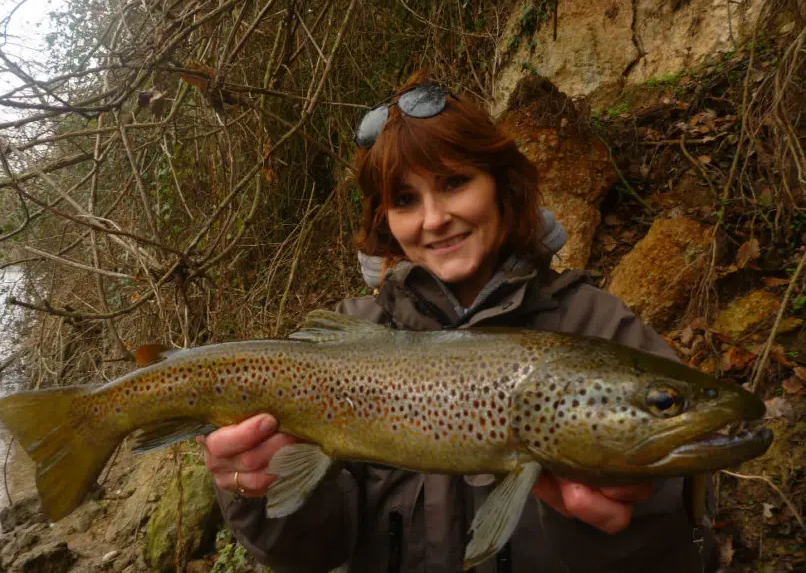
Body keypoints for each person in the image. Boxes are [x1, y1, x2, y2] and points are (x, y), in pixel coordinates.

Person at [200, 78, 717, 572]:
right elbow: (305, 556)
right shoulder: (343, 337)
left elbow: (675, 547)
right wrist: (252, 488)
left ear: (500, 184)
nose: (433, 218)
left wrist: (612, 530)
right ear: (385, 219)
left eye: (454, 183)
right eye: (405, 200)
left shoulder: (601, 329)